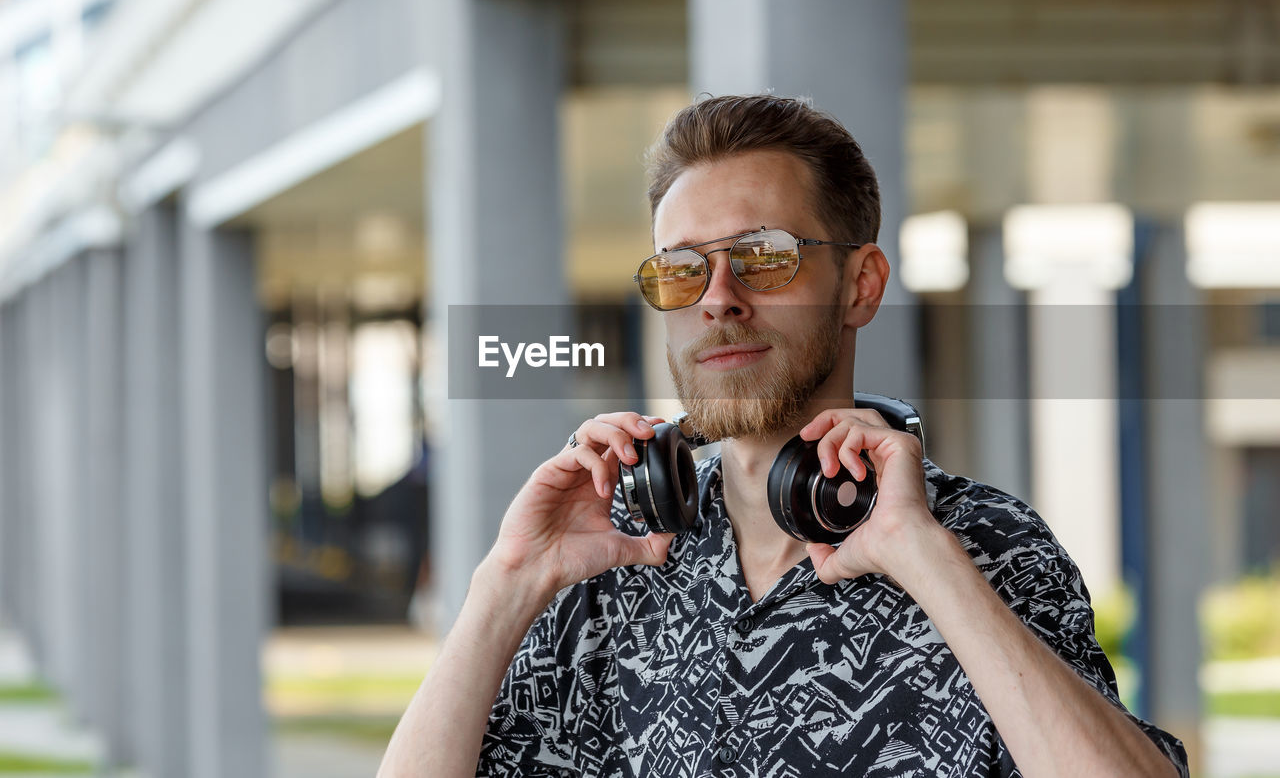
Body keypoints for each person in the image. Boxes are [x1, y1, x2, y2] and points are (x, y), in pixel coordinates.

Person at [378, 94, 1189, 777]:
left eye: (764, 257)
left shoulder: (984, 547)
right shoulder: (612, 555)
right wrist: (508, 578)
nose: (718, 297)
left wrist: (928, 561)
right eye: (682, 267)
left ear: (860, 285)